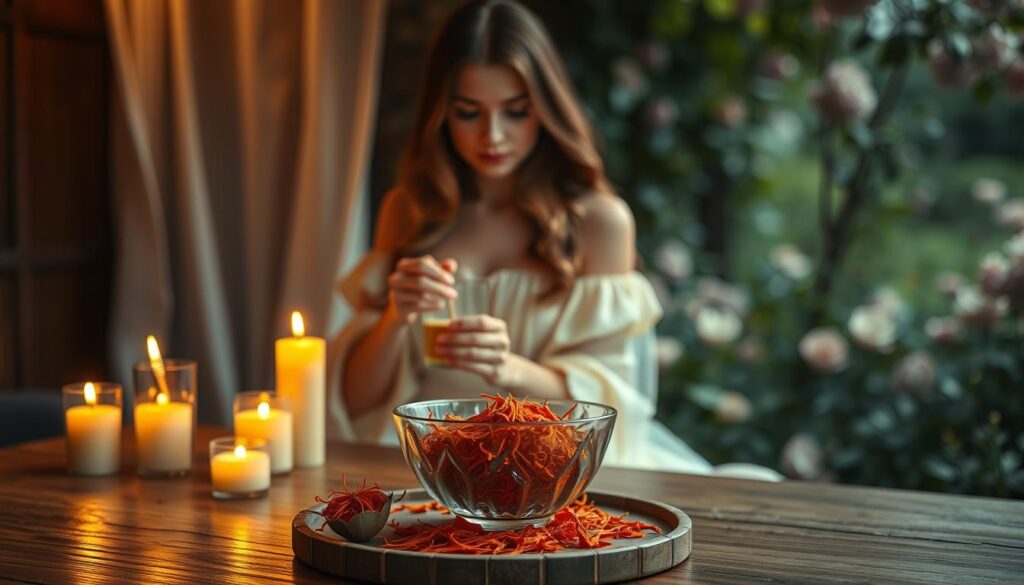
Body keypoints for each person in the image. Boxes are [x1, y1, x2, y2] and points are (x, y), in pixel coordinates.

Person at [327, 0, 767, 477]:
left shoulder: (598, 223)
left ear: (546, 107)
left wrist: (507, 368)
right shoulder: (410, 211)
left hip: (550, 470)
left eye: (516, 112)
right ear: (440, 113)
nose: (492, 136)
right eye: (469, 112)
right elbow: (355, 404)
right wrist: (396, 316)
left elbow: (612, 404)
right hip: (430, 467)